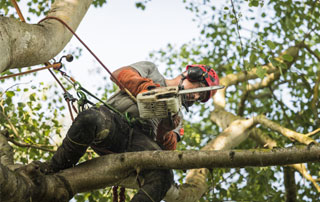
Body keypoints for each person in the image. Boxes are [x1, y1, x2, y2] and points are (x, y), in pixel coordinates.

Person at [45, 61, 219, 202]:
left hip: (140, 142)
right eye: (198, 89)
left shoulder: (177, 115)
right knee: (90, 118)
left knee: (164, 176)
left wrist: (165, 131)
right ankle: (54, 168)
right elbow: (120, 74)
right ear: (191, 74)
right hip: (112, 123)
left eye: (200, 97)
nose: (196, 96)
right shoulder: (152, 71)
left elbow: (169, 151)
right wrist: (149, 89)